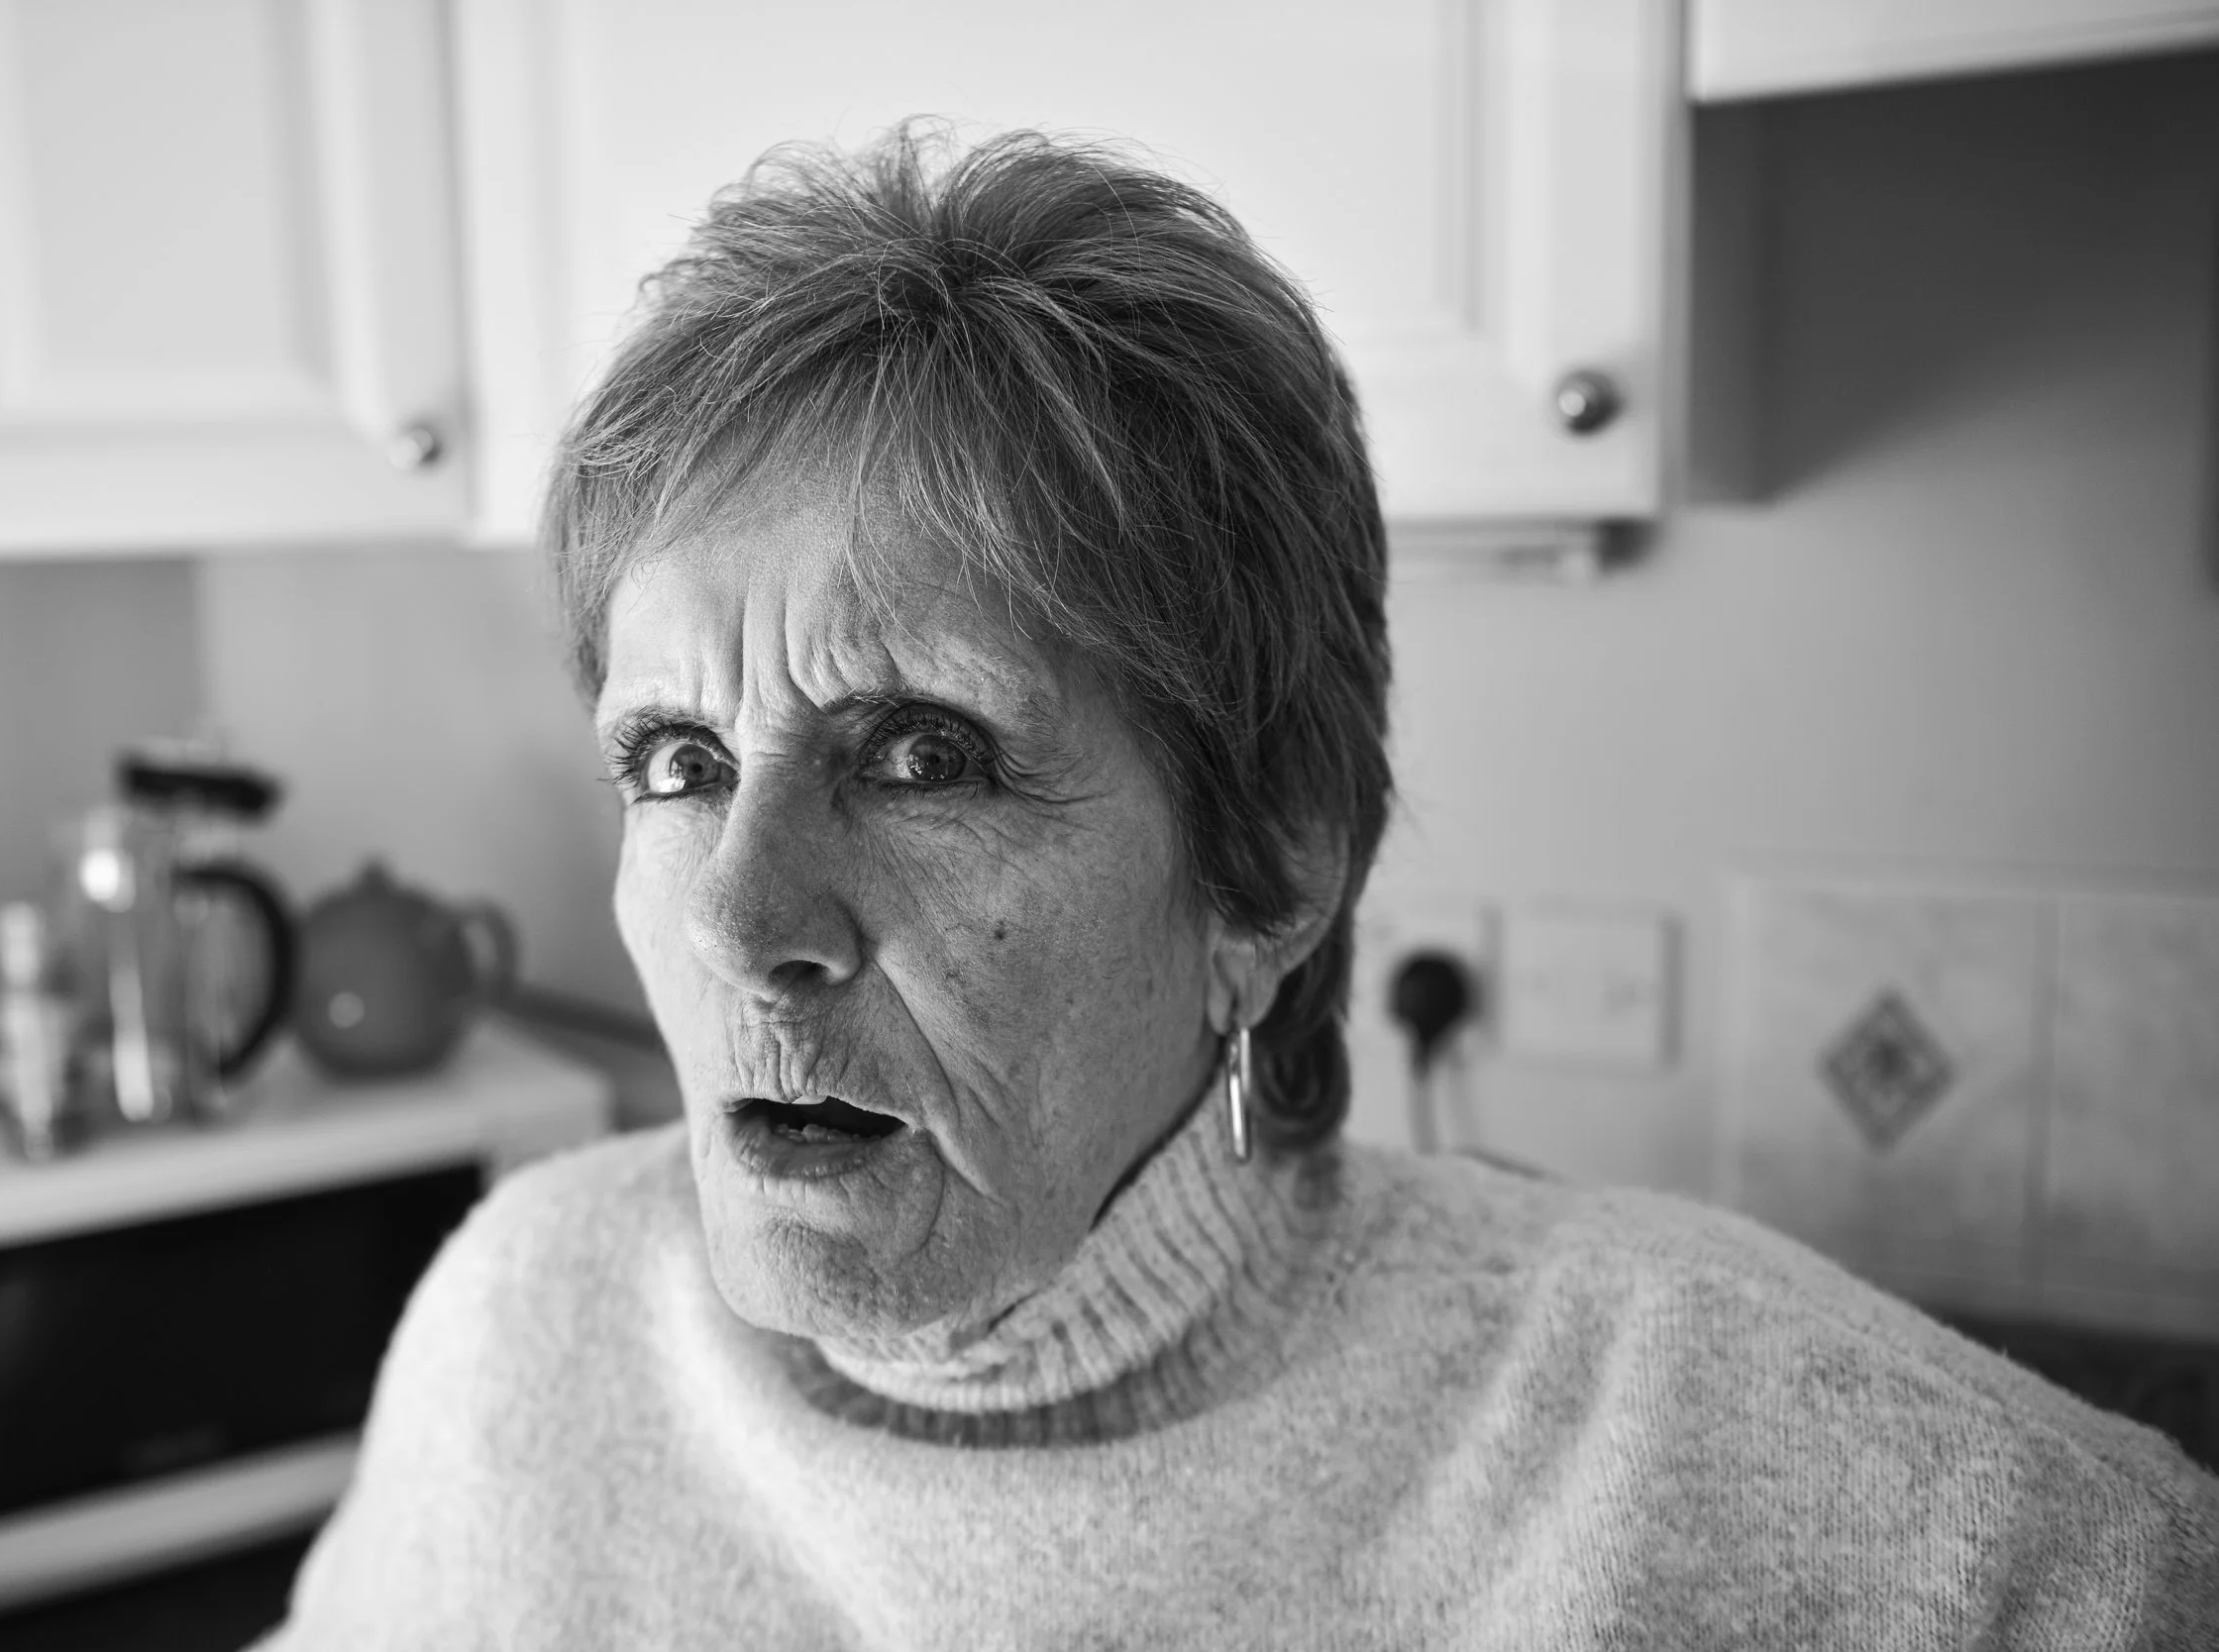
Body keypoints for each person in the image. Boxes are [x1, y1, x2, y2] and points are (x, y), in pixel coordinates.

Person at [257, 123, 2219, 1649]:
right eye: (679, 764)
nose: (739, 918)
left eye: (922, 755)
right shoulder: (529, 1341)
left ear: (1266, 868)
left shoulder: (1723, 1461)